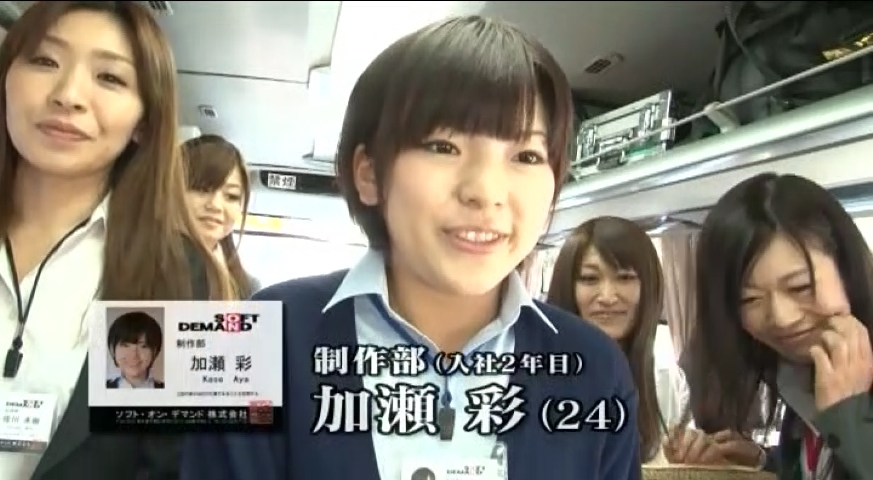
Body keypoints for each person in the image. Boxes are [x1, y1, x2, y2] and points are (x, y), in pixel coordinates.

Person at [182, 15, 641, 480]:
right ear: (369, 173)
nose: (486, 192)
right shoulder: (259, 340)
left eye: (526, 156)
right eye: (443, 147)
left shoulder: (597, 371)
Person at [0, 2, 232, 480]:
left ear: (144, 121)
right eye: (44, 61)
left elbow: (173, 465)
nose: (68, 95)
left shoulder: (178, 273)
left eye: (109, 78)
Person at [683, 172, 873, 480]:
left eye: (800, 287)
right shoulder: (799, 375)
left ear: (846, 268)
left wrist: (848, 418)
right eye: (749, 299)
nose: (782, 318)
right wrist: (768, 463)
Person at [545, 216, 763, 466]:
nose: (607, 296)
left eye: (625, 278)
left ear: (648, 287)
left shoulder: (666, 381)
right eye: (589, 279)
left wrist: (695, 456)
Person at [182, 134, 259, 297]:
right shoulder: (140, 264)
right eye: (202, 189)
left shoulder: (247, 289)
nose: (215, 205)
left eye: (231, 196)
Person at [105, 311, 165, 389]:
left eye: (143, 346)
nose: (133, 355)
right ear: (113, 349)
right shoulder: (99, 389)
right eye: (125, 346)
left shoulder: (169, 389)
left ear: (155, 351)